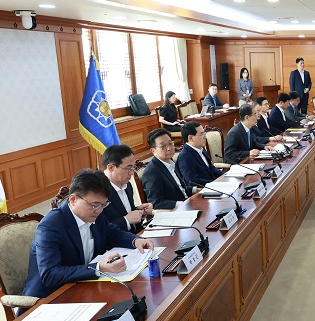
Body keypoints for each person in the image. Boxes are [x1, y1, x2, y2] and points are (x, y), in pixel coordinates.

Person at [21, 169, 154, 300]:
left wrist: (135, 240)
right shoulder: (50, 227)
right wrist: (98, 267)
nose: (99, 210)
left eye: (104, 205)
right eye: (95, 205)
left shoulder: (95, 213)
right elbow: (50, 275)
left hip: (85, 286)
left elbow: (111, 232)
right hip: (50, 298)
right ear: (73, 199)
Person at [101, 144, 153, 233]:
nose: (132, 173)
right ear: (111, 167)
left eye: (133, 167)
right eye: (128, 168)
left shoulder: (127, 185)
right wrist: (126, 221)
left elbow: (125, 213)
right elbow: (100, 230)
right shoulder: (98, 191)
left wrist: (140, 211)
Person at [141, 128, 190, 209]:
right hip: (176, 211)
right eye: (163, 146)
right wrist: (182, 204)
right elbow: (156, 202)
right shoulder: (151, 172)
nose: (169, 148)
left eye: (170, 144)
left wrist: (196, 190)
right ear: (153, 151)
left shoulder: (172, 162)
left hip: (188, 202)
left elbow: (180, 187)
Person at [177, 121, 225, 188]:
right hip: (202, 191)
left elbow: (211, 169)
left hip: (213, 186)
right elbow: (193, 181)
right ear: (191, 138)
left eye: (204, 133)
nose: (205, 137)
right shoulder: (185, 156)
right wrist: (215, 184)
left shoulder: (201, 149)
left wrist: (226, 175)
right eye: (202, 134)